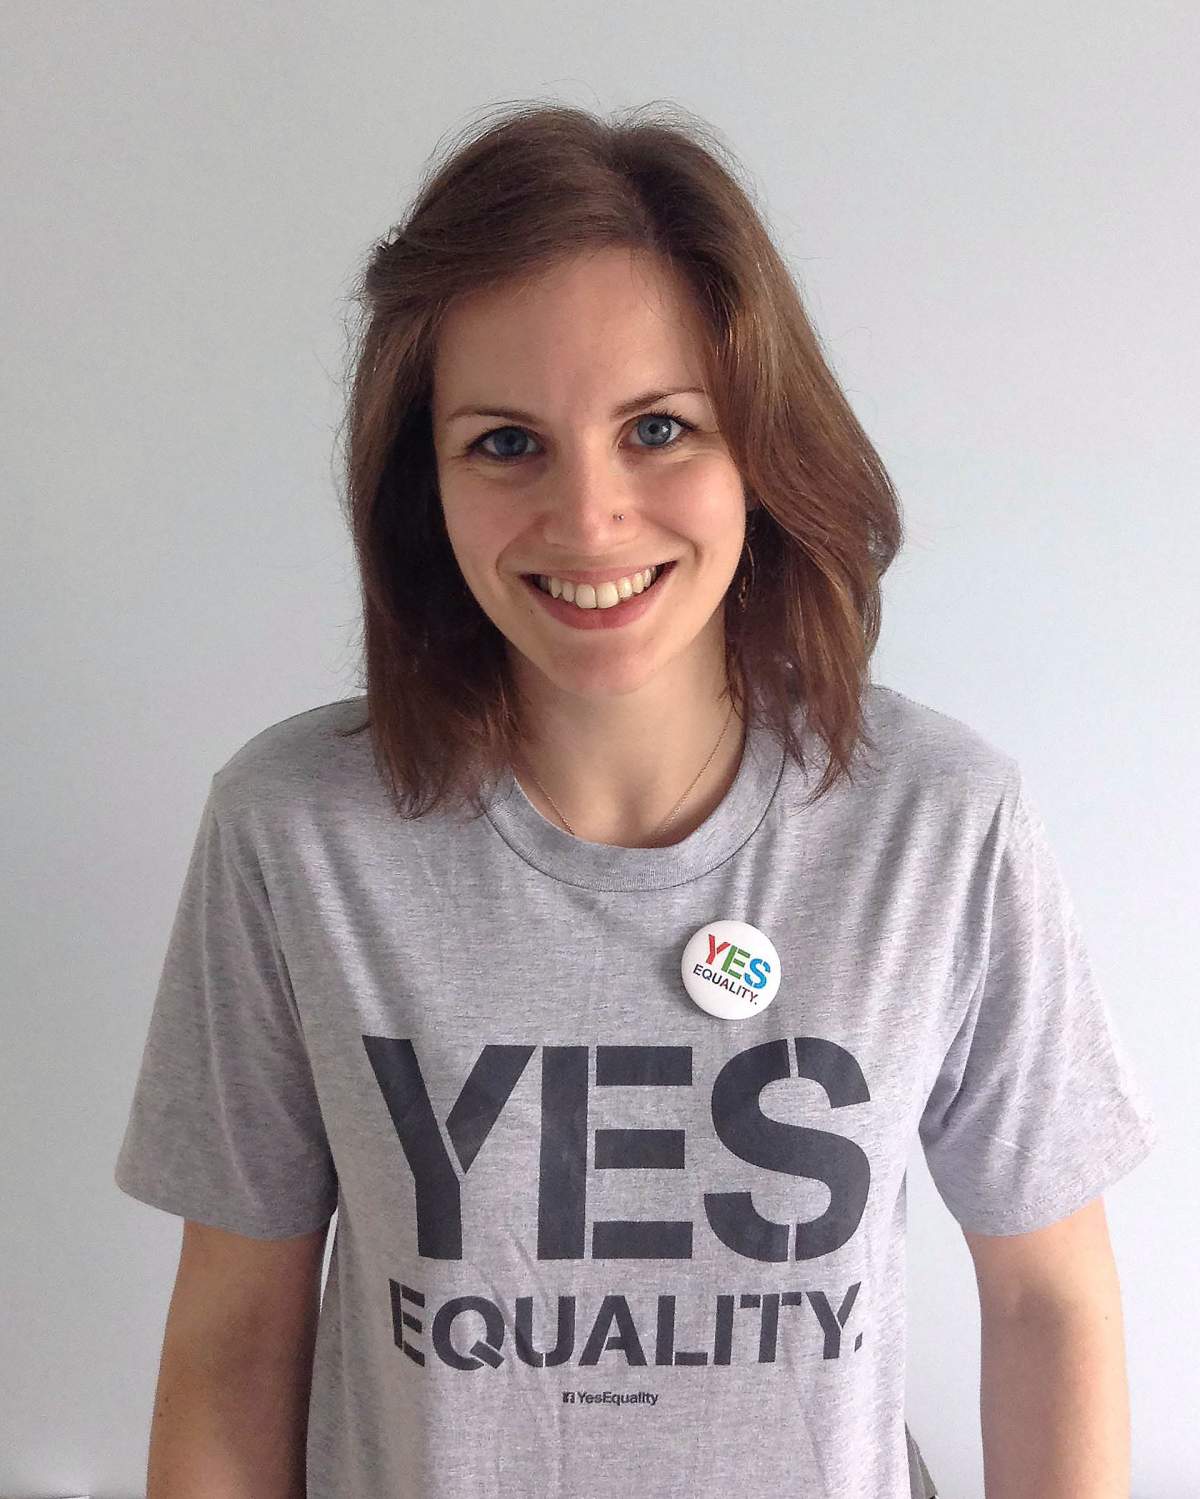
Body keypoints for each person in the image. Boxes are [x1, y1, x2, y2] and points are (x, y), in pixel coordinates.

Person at [114, 101, 1159, 1499]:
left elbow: (1051, 1305)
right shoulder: (296, 837)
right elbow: (236, 1339)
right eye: (505, 442)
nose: (591, 517)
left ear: (760, 449)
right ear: (423, 484)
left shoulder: (940, 824)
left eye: (658, 427)